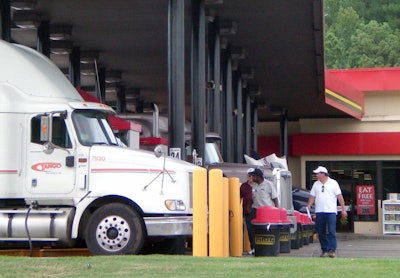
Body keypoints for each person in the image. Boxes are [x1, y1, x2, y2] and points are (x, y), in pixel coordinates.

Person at [307, 166, 347, 258]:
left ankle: (332, 250)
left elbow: (339, 197)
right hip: (319, 211)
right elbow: (312, 196)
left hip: (331, 211)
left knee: (331, 231)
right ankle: (324, 250)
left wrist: (343, 209)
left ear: (323, 174)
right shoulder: (316, 184)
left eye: (318, 173)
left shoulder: (333, 183)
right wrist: (309, 205)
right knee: (321, 232)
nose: (316, 175)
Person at [240, 168, 255, 254]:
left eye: (252, 175)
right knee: (249, 230)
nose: (251, 177)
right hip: (247, 211)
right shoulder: (244, 186)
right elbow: (239, 198)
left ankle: (257, 247)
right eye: (249, 175)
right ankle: (252, 247)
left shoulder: (257, 185)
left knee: (257, 229)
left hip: (256, 210)